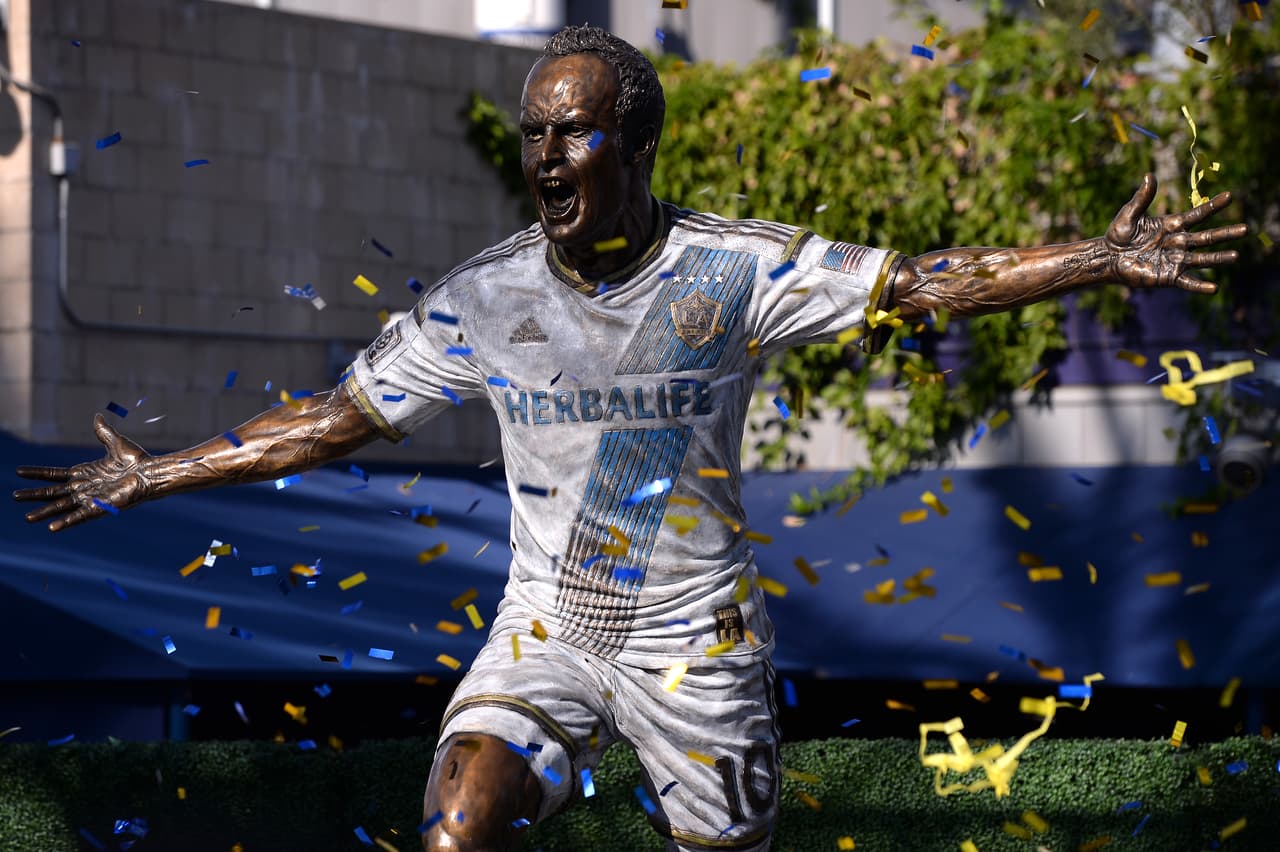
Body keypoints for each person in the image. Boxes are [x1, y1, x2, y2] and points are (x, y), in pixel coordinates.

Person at [13, 23, 1245, 852]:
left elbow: (925, 281)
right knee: (454, 831)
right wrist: (158, 474)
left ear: (636, 143)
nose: (545, 159)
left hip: (694, 645)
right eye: (534, 135)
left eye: (574, 134)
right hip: (543, 631)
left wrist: (1096, 255)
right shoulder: (484, 298)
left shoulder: (733, 271)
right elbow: (336, 423)